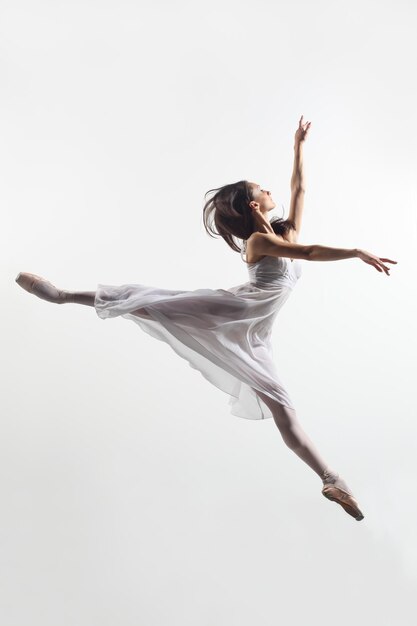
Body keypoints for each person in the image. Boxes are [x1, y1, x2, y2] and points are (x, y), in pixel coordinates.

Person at [15, 116, 397, 522]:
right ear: (254, 206)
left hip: (255, 335)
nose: (270, 191)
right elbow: (308, 255)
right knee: (152, 302)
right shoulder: (259, 241)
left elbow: (299, 188)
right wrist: (356, 251)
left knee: (283, 408)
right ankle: (61, 295)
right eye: (261, 189)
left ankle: (331, 478)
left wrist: (298, 145)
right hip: (233, 310)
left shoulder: (285, 232)